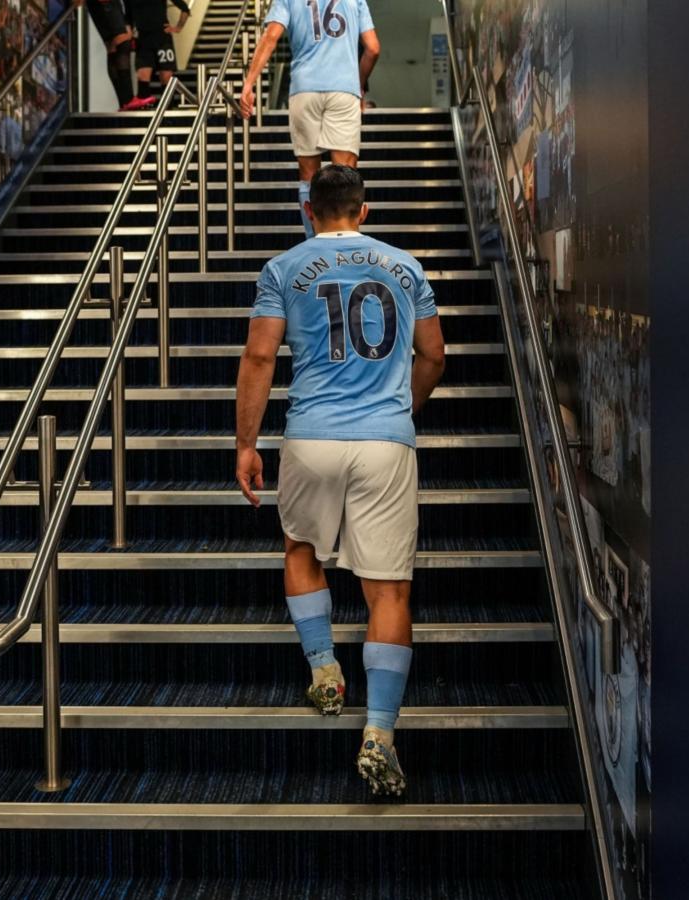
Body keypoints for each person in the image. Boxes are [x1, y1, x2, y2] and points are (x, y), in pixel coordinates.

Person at [235, 166, 446, 796]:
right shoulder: (406, 268)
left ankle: (324, 667)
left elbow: (259, 356)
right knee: (389, 591)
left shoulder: (281, 269)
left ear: (308, 209)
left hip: (311, 437)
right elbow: (435, 356)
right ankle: (379, 733)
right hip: (386, 443)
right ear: (364, 210)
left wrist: (246, 443)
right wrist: (399, 409)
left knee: (301, 548)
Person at [239, 0, 380, 238]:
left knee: (308, 175)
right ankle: (345, 244)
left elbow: (271, 36)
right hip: (343, 88)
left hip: (304, 89)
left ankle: (313, 241)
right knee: (345, 173)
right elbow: (373, 48)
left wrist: (249, 83)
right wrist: (358, 84)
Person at [125, 0, 190, 108]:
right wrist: (129, 34)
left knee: (166, 76)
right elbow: (128, 17)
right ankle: (144, 111)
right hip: (143, 39)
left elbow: (185, 9)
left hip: (162, 38)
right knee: (142, 75)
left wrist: (178, 28)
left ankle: (169, 112)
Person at [77, 0, 136, 110]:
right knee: (121, 45)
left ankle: (124, 101)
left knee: (113, 47)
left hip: (105, 6)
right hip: (106, 5)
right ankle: (128, 100)